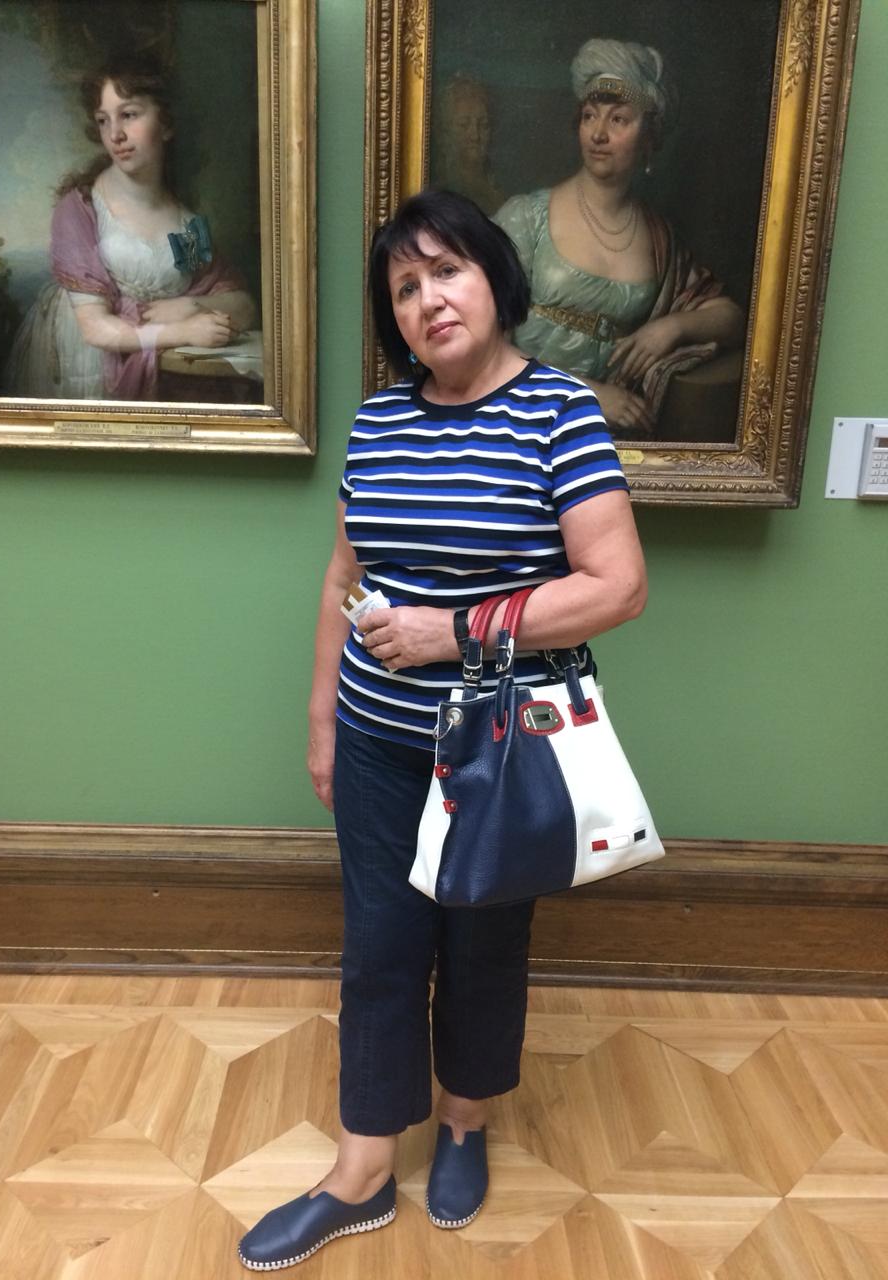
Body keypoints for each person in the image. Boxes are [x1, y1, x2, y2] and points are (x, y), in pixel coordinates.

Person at [236, 189, 648, 1270]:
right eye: (405, 286)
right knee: (378, 948)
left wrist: (452, 631)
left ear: (495, 279)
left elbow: (616, 586)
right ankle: (362, 1169)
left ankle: (464, 1124)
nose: (429, 299)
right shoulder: (378, 422)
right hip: (378, 739)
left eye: (447, 271)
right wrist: (323, 716)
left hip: (501, 749)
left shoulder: (558, 412)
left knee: (482, 947)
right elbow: (344, 575)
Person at [494, 38, 744, 437]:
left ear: (649, 138)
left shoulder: (659, 239)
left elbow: (731, 318)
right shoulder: (526, 218)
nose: (598, 134)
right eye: (589, 116)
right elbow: (483, 345)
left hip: (610, 438)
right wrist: (589, 394)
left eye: (619, 120)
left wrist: (672, 328)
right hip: (521, 424)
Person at [5, 57, 254, 401]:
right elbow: (94, 328)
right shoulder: (83, 209)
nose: (115, 135)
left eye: (129, 115)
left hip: (157, 364)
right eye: (103, 120)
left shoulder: (186, 225)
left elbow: (243, 305)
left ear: (166, 124)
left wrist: (192, 305)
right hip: (88, 358)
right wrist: (183, 330)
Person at [431, 73, 506, 215]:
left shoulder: (501, 180)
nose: (475, 136)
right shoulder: (438, 186)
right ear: (444, 132)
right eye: (463, 125)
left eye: (483, 125)